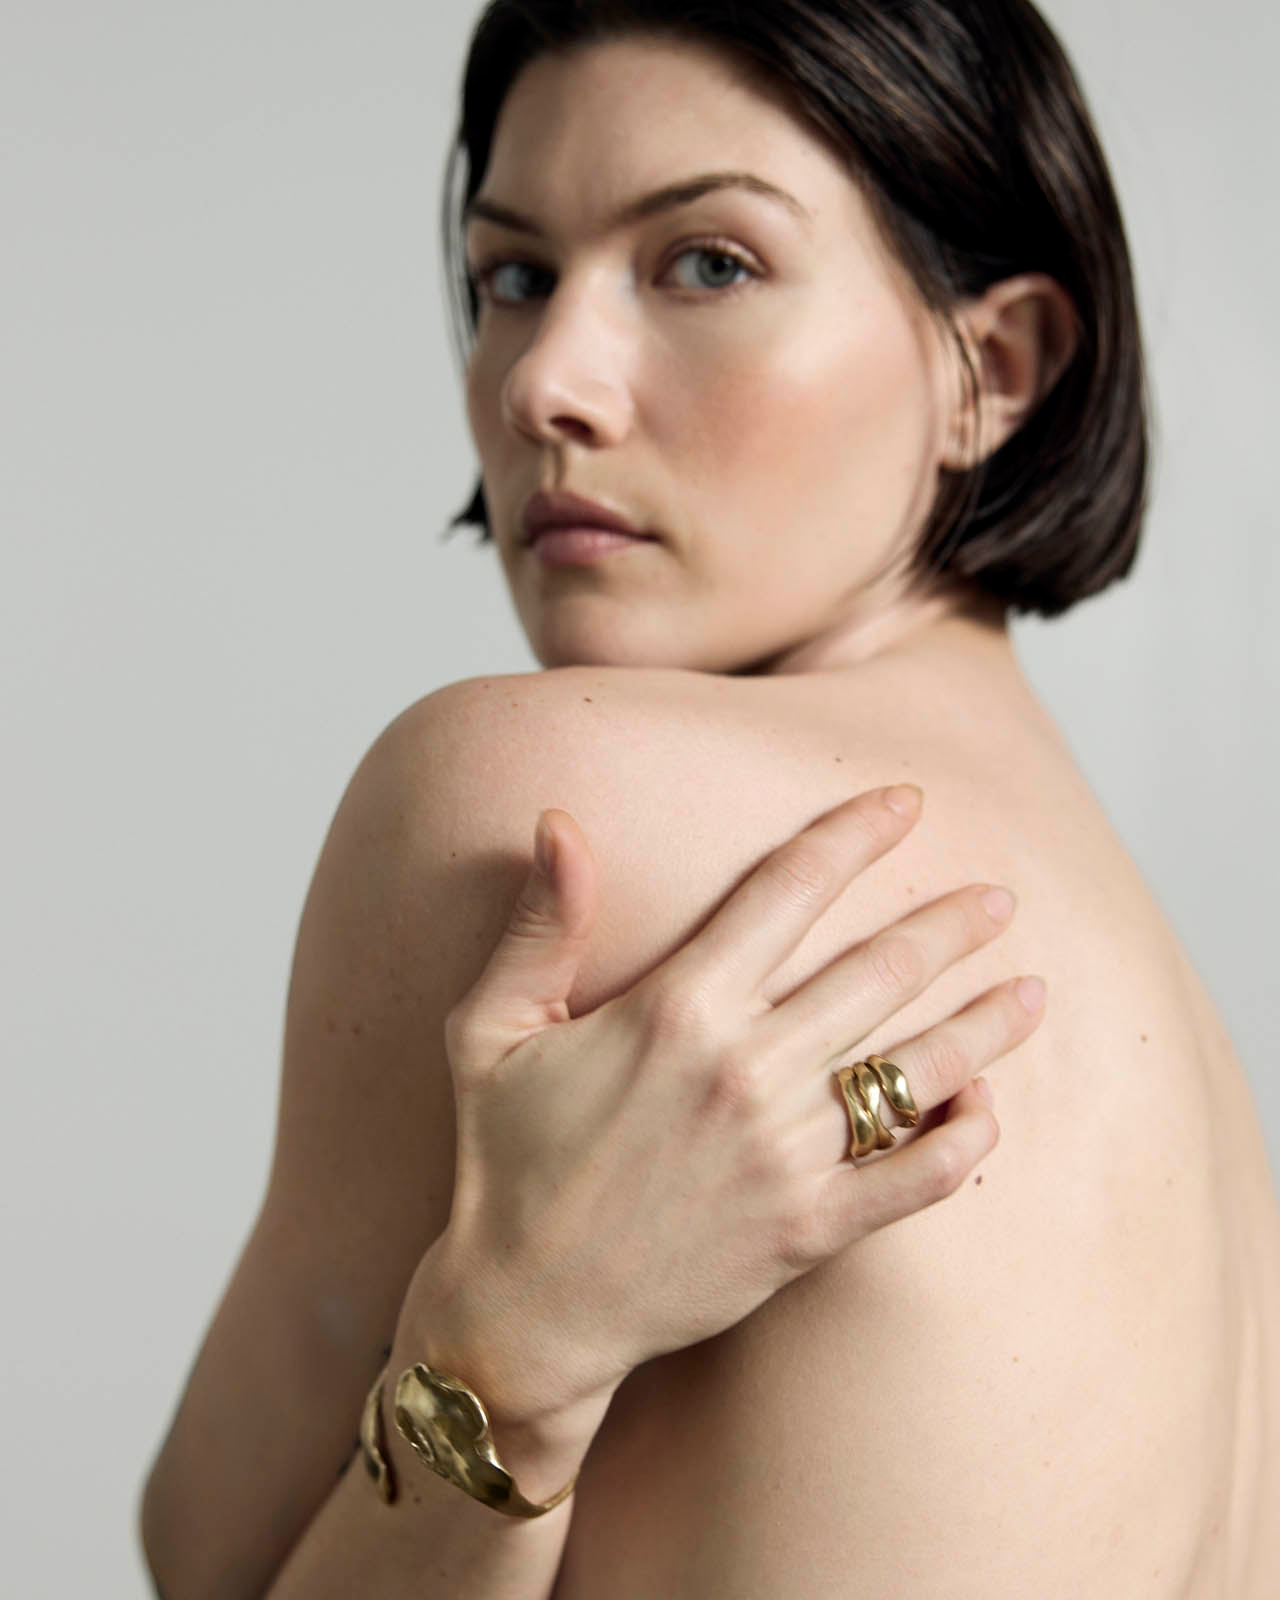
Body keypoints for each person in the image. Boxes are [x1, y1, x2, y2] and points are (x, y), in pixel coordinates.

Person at [139, 1, 1280, 1595]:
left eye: (707, 264)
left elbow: (208, 1560)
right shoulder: (1178, 1045)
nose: (546, 383)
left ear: (993, 368)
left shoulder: (535, 804)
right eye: (513, 277)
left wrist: (513, 1347)